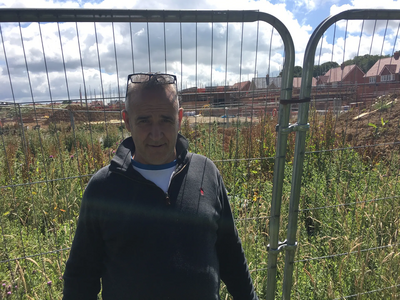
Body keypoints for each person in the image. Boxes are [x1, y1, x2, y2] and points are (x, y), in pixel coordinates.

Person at [63, 73, 258, 300]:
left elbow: (230, 253)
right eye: (144, 120)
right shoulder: (104, 187)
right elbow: (80, 277)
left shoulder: (206, 172)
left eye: (165, 119)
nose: (156, 134)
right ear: (126, 121)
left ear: (180, 118)